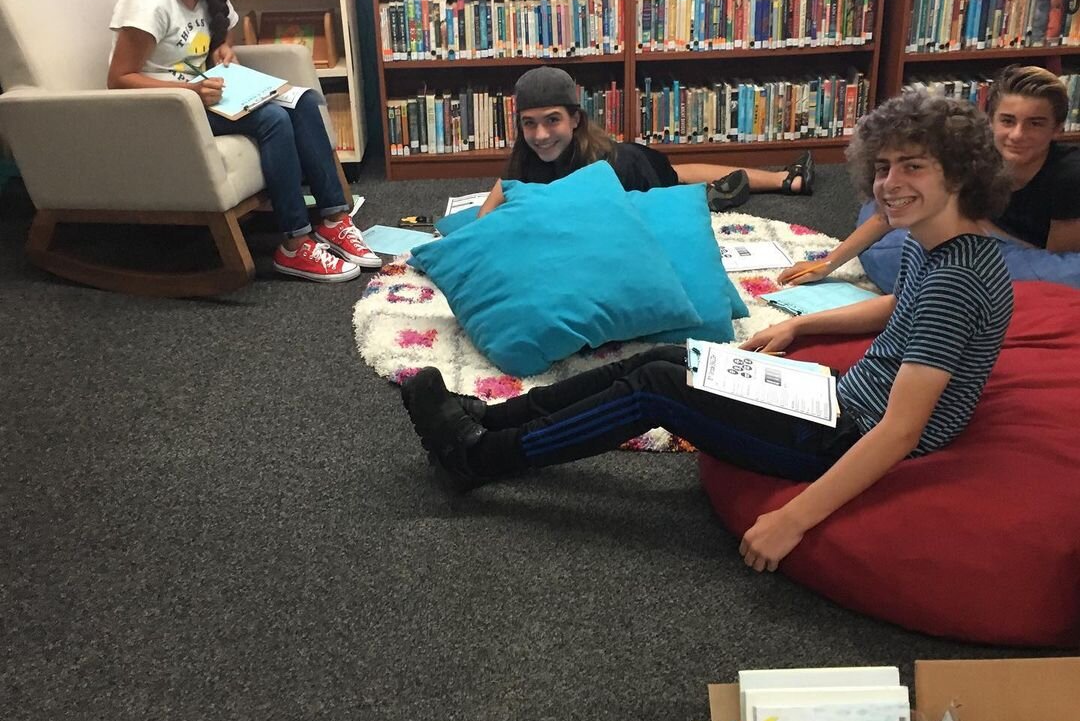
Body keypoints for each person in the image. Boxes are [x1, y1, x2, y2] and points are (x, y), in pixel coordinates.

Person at [401, 90, 1013, 572]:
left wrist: (793, 520)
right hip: (833, 397)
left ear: (959, 173)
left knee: (659, 389)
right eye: (882, 168)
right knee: (672, 357)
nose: (889, 183)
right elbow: (898, 310)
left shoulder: (958, 279)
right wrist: (803, 331)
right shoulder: (933, 246)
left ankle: (479, 457)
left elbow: (901, 431)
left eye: (913, 167)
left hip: (842, 436)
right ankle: (490, 415)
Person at [108, 0, 380, 283]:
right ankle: (294, 244)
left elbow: (216, 35)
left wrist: (224, 48)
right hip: (166, 107)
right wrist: (189, 91)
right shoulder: (149, 1)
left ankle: (334, 220)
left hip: (206, 94)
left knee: (301, 103)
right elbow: (119, 78)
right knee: (272, 120)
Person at [779, 66, 1080, 286]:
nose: (1018, 135)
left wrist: (980, 225)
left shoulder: (1068, 176)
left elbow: (1054, 258)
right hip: (969, 229)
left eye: (1035, 124)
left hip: (1027, 249)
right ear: (991, 121)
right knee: (888, 203)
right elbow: (890, 208)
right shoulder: (978, 152)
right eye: (1008, 121)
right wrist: (828, 262)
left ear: (1056, 129)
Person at [476, 66, 815, 218]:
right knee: (681, 171)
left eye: (552, 120)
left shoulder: (608, 168)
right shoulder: (529, 150)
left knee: (675, 183)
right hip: (634, 161)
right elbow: (506, 183)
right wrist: (484, 219)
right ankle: (788, 179)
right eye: (528, 124)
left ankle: (712, 197)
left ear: (575, 119)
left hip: (639, 173)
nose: (540, 135)